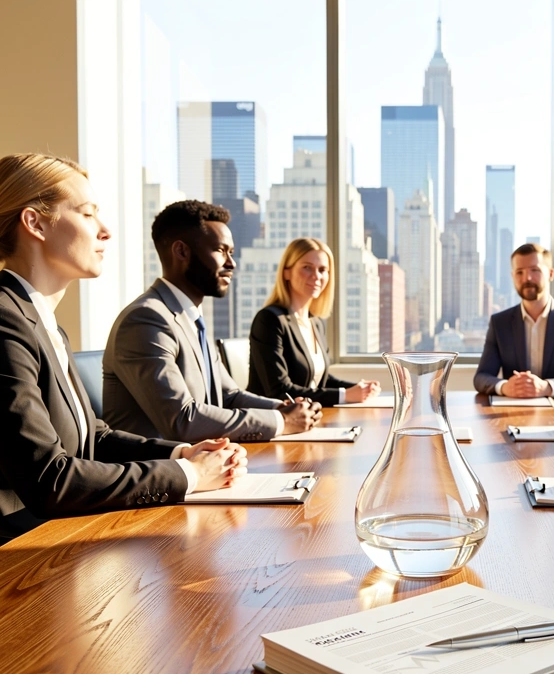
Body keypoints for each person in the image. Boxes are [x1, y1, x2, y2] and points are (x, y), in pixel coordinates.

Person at [0, 154, 248, 542]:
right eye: (86, 214)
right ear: (35, 223)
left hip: (61, 538)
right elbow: (49, 478)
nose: (105, 231)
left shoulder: (44, 323)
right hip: (20, 556)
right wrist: (191, 476)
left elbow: (93, 439)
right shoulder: (4, 318)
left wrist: (181, 454)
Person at [104, 201, 321, 443]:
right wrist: (282, 422)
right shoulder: (146, 320)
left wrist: (284, 408)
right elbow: (182, 419)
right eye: (221, 250)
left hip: (208, 462)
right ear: (181, 252)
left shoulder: (191, 318)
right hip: (158, 471)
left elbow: (229, 395)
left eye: (232, 253)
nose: (232, 263)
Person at [247, 237, 381, 406]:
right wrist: (344, 395)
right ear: (286, 272)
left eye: (323, 269)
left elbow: (319, 380)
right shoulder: (270, 320)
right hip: (272, 421)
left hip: (305, 418)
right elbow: (280, 390)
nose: (316, 276)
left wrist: (358, 389)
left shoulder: (314, 322)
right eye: (307, 268)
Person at [473, 242, 554, 398]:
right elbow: (481, 377)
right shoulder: (500, 322)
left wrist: (547, 387)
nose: (527, 278)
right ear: (512, 276)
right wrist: (504, 387)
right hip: (511, 412)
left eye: (535, 270)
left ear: (551, 274)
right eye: (519, 272)